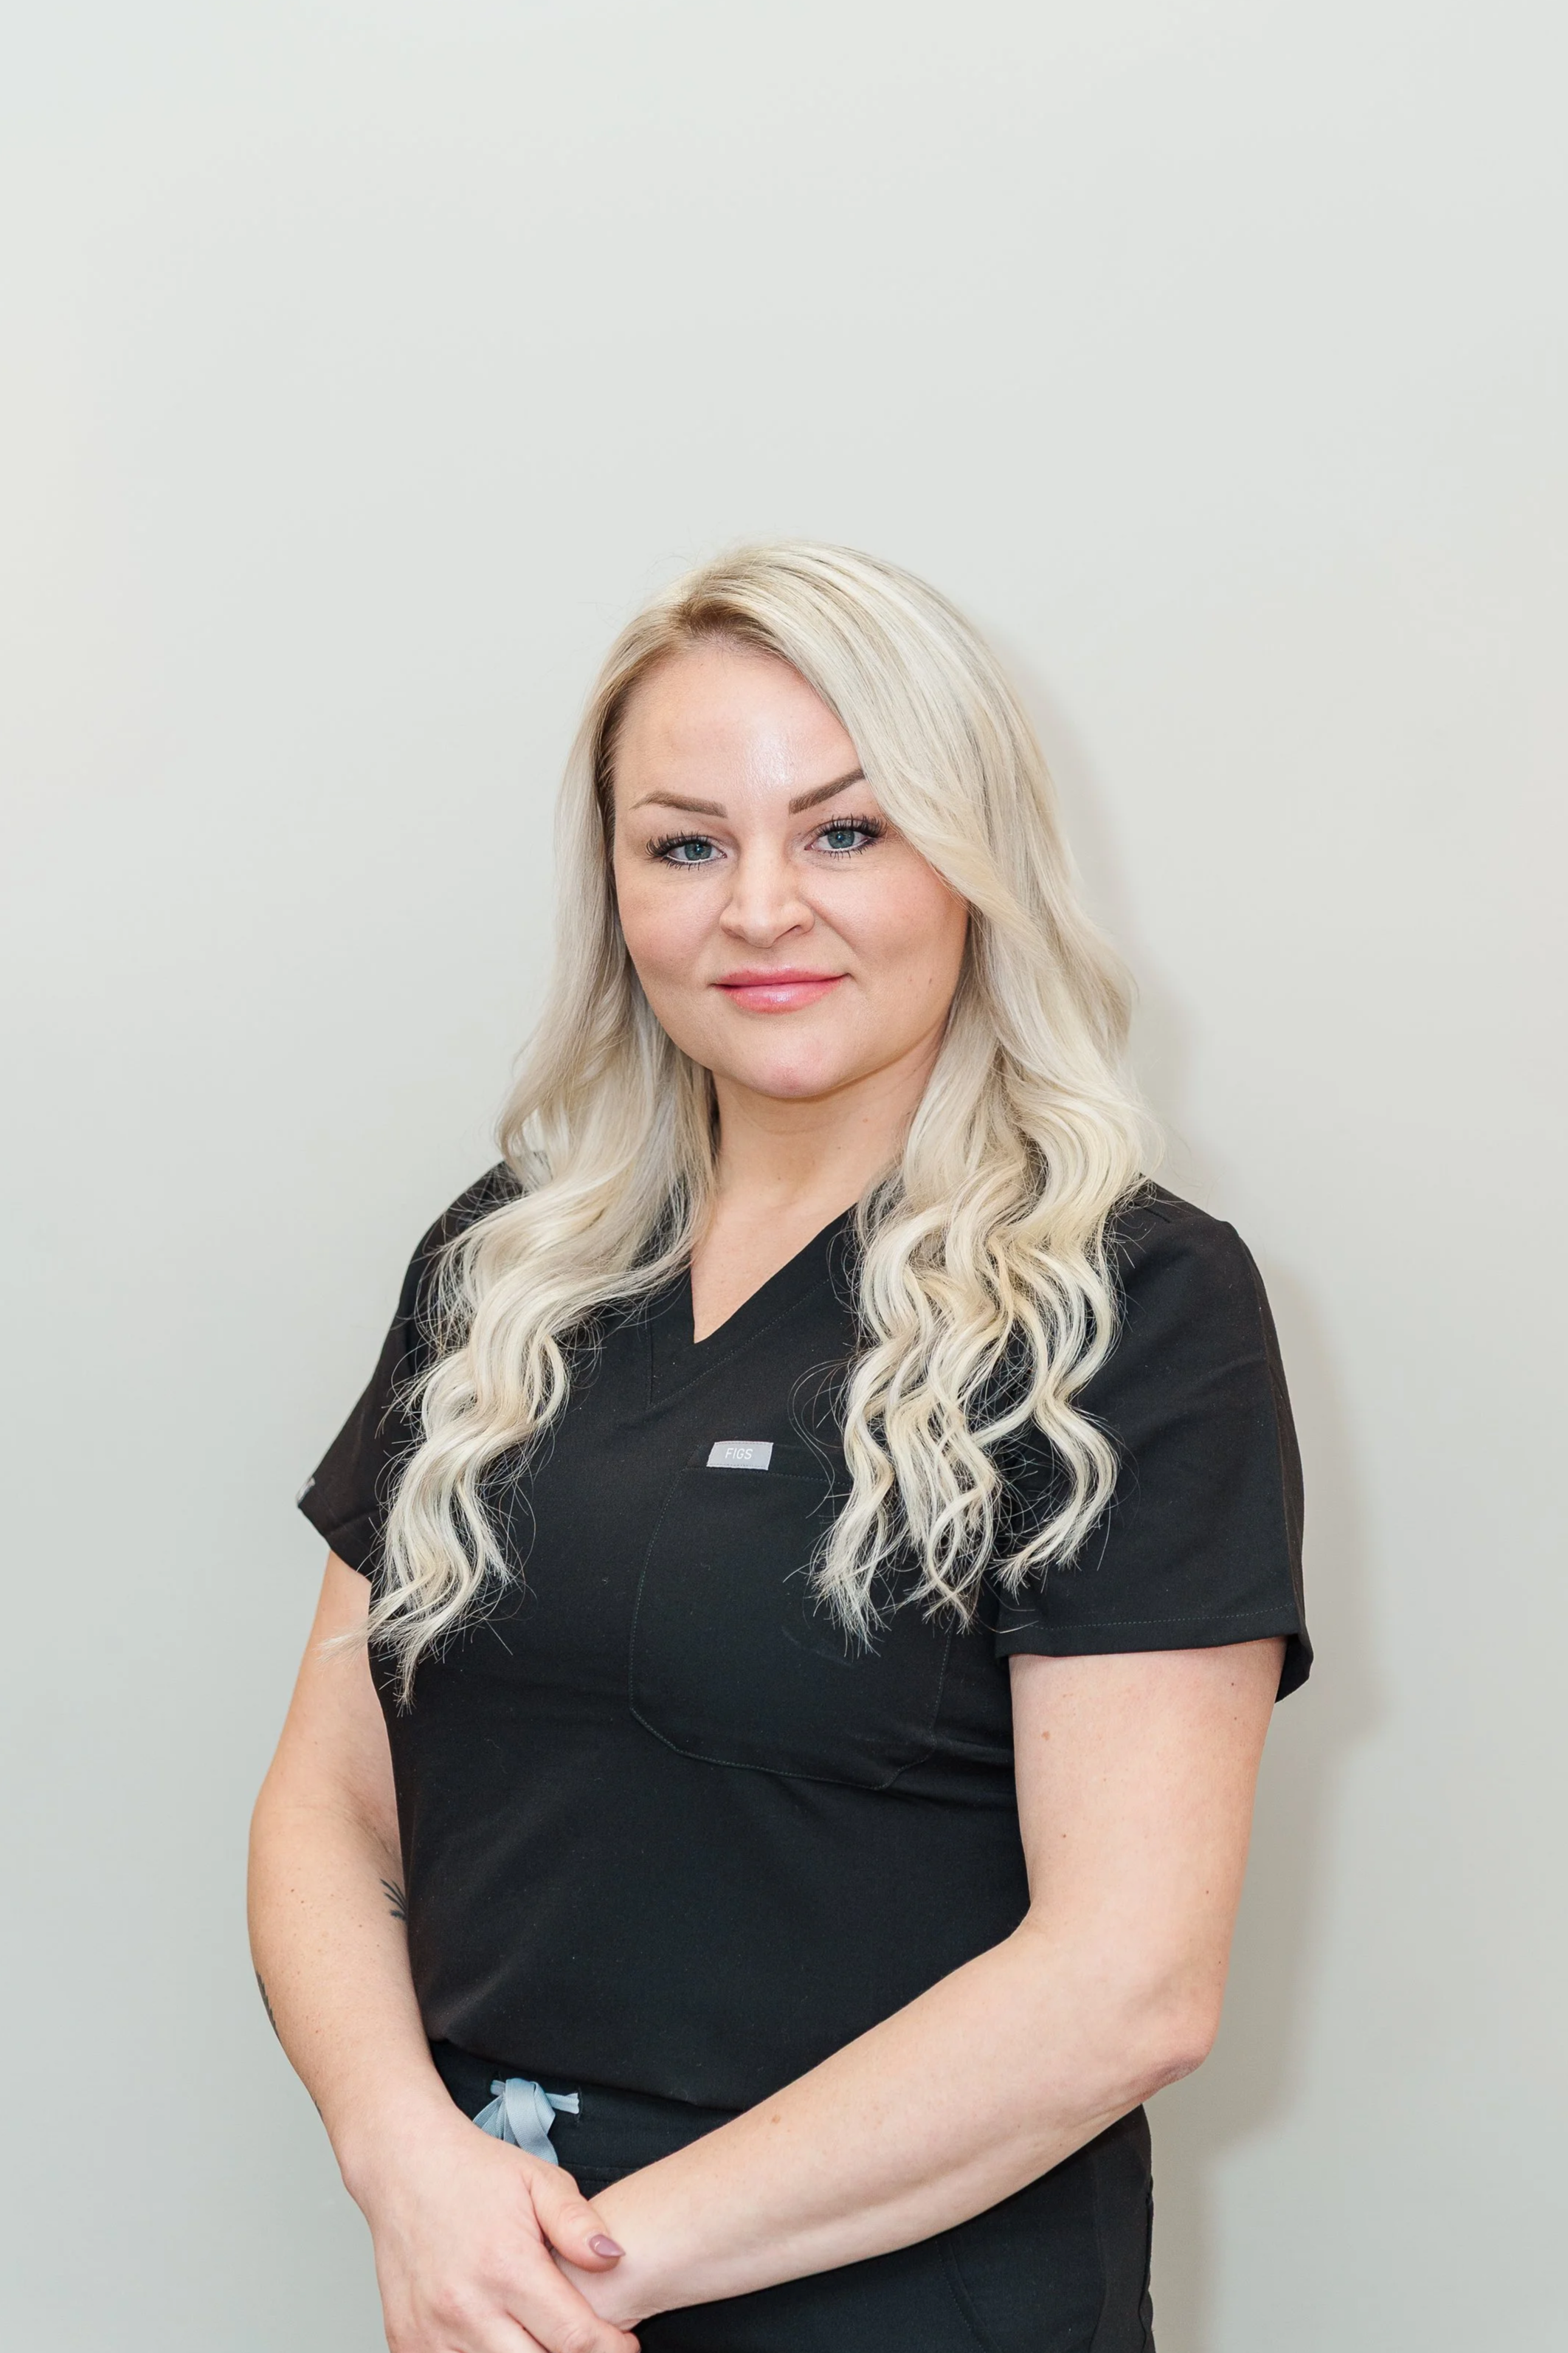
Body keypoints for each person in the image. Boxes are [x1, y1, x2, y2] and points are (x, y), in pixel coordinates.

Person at [249, 542, 1310, 2353]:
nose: (760, 909)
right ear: (617, 892)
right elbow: (328, 1806)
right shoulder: (508, 1267)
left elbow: (1129, 1986)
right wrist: (404, 2159)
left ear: (969, 866)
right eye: (685, 843)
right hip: (487, 2286)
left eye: (845, 831)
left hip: (876, 2301)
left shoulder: (1133, 1308)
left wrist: (587, 2268)